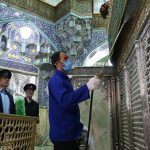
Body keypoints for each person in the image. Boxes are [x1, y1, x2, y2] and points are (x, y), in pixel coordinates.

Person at [48, 51, 100, 150]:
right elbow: (65, 101)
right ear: (57, 63)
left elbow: (70, 104)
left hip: (69, 132)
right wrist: (87, 87)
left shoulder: (64, 79)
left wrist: (78, 125)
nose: (69, 61)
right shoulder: (55, 80)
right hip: (63, 135)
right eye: (65, 59)